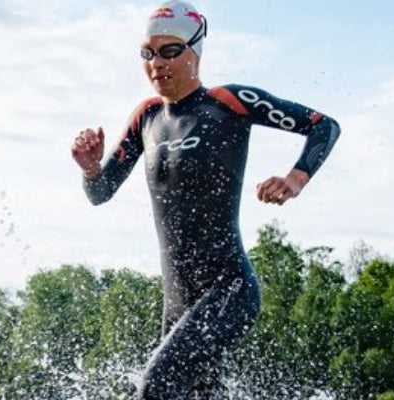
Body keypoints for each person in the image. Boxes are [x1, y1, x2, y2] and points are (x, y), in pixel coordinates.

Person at [69, 2, 341, 398]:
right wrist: (91, 169)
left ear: (194, 51)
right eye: (148, 53)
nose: (156, 63)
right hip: (178, 301)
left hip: (229, 289)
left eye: (169, 51)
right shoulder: (146, 117)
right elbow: (100, 192)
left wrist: (296, 178)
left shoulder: (228, 102)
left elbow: (323, 126)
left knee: (156, 387)